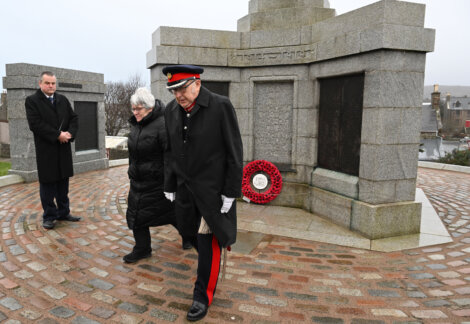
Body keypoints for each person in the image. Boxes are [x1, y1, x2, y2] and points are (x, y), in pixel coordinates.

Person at [162, 65, 243, 321]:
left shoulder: (221, 106)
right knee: (190, 234)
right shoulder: (170, 110)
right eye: (173, 90)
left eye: (182, 88)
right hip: (185, 190)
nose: (178, 96)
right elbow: (170, 151)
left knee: (208, 242)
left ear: (197, 83)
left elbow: (234, 151)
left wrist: (231, 191)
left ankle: (202, 296)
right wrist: (169, 184)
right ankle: (210, 267)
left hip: (212, 192)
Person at [124, 87, 187, 263]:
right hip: (138, 180)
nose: (135, 112)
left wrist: (169, 183)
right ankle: (142, 249)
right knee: (136, 215)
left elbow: (170, 156)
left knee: (172, 214)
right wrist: (131, 170)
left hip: (157, 182)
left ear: (149, 108)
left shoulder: (162, 125)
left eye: (138, 109)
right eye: (133, 108)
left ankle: (188, 235)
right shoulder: (137, 124)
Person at [25, 71, 81, 230]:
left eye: (53, 83)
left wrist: (70, 134)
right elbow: (35, 124)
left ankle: (64, 212)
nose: (51, 86)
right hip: (46, 150)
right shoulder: (32, 101)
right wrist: (57, 135)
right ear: (40, 84)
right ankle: (49, 216)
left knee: (63, 184)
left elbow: (74, 118)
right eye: (47, 83)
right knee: (48, 186)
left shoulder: (62, 99)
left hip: (63, 149)